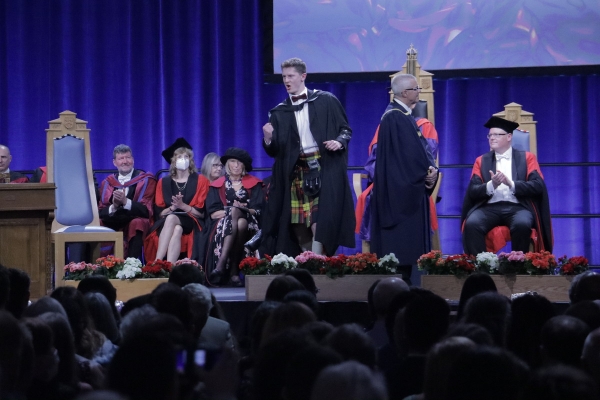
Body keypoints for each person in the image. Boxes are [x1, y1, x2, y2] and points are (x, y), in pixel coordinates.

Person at [262, 57, 355, 257]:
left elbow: (345, 130)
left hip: (323, 167)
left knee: (318, 219)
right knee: (296, 222)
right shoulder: (279, 111)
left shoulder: (326, 100)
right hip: (295, 171)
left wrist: (339, 142)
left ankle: (319, 261)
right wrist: (268, 139)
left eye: (291, 76)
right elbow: (274, 151)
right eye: (284, 77)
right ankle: (310, 260)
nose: (286, 81)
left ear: (303, 76)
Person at [369, 73, 438, 285]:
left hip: (407, 184)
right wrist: (426, 172)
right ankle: (403, 285)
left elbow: (419, 150)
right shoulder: (395, 117)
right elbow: (408, 155)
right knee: (402, 244)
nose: (419, 92)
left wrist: (430, 170)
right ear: (405, 93)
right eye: (416, 89)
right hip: (401, 190)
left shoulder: (401, 115)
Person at [461, 116, 553, 255]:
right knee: (472, 223)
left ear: (509, 137)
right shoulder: (481, 161)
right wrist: (492, 185)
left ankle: (517, 264)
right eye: (490, 135)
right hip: (489, 207)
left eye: (497, 135)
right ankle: (482, 264)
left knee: (522, 224)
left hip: (518, 207)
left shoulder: (527, 158)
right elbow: (473, 191)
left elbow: (537, 186)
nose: (492, 138)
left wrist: (512, 184)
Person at [144, 138, 210, 264]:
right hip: (167, 222)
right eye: (179, 157)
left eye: (186, 156)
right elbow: (160, 213)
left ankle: (157, 262)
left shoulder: (200, 180)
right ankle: (170, 267)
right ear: (173, 161)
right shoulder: (163, 182)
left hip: (192, 220)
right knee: (177, 229)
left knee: (171, 218)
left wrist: (182, 206)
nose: (183, 159)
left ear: (190, 160)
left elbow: (201, 213)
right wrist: (173, 208)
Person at [205, 148, 263, 287]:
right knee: (240, 223)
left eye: (239, 162)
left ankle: (221, 263)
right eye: (232, 161)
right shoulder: (217, 185)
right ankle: (234, 272)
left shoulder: (254, 183)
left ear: (244, 165)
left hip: (250, 219)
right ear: (227, 164)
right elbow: (213, 213)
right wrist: (232, 211)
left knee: (240, 216)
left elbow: (258, 210)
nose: (236, 165)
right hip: (224, 221)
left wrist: (242, 209)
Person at [98, 145, 156, 260]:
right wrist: (114, 206)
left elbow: (146, 210)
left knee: (137, 223)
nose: (125, 161)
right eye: (121, 158)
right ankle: (102, 264)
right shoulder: (108, 183)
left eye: (128, 157)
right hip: (114, 220)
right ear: (114, 162)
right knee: (97, 223)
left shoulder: (146, 180)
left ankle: (131, 264)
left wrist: (125, 202)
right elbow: (101, 211)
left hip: (134, 219)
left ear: (133, 160)